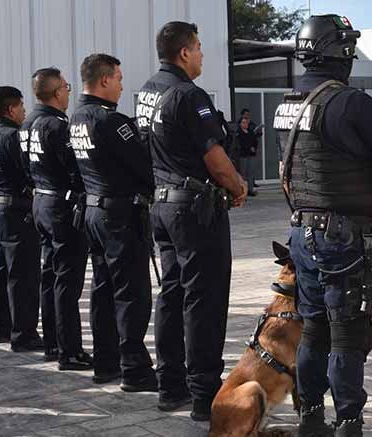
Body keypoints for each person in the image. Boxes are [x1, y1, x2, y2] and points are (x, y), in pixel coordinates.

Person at [275, 15, 372, 436]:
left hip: (302, 232)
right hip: (343, 237)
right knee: (347, 332)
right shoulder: (355, 103)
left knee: (313, 329)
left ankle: (310, 417)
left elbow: (290, 172)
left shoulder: (287, 104)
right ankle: (349, 422)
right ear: (342, 52)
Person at [142, 21, 247, 420]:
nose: (202, 54)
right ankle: (205, 395)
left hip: (163, 204)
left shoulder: (149, 91)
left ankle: (170, 385)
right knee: (205, 300)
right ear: (184, 52)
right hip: (195, 208)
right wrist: (237, 186)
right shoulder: (189, 94)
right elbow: (215, 160)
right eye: (199, 47)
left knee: (172, 294)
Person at [69, 53, 157, 391]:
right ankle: (135, 369)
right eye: (118, 79)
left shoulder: (77, 117)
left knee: (103, 289)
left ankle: (106, 362)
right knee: (131, 293)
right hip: (119, 215)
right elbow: (144, 168)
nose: (121, 85)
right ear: (104, 80)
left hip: (94, 211)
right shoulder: (111, 121)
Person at [22, 67, 92, 368]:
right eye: (66, 87)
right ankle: (70, 350)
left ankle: (52, 342)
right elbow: (75, 168)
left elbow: (24, 167)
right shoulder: (57, 125)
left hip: (40, 200)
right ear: (56, 93)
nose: (68, 93)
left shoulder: (27, 124)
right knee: (67, 281)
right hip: (62, 206)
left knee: (50, 275)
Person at [0, 86, 45, 352]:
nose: (24, 111)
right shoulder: (12, 137)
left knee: (0, 270)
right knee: (23, 274)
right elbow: (28, 172)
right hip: (16, 209)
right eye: (21, 106)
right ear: (10, 109)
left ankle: (2, 327)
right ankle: (23, 333)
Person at [236, 117, 259, 196]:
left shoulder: (250, 132)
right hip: (243, 155)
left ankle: (250, 189)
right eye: (243, 122)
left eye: (246, 122)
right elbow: (240, 144)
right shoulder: (238, 133)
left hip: (251, 154)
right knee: (243, 174)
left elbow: (255, 141)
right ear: (240, 124)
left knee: (251, 173)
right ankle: (242, 191)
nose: (245, 124)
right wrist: (249, 148)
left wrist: (254, 147)